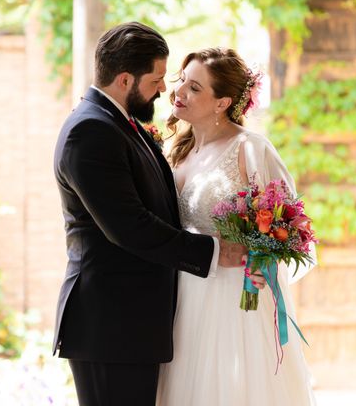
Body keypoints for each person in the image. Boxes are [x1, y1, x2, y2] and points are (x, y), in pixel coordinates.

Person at [52, 23, 258, 406]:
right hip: (110, 326)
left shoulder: (121, 125)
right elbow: (130, 228)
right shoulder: (91, 132)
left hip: (134, 325)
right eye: (158, 79)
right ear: (126, 79)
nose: (165, 89)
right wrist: (217, 252)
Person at [156, 47, 317, 405]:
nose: (179, 91)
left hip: (234, 301)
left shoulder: (250, 148)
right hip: (183, 299)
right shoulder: (178, 153)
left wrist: (265, 261)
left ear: (222, 102)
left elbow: (289, 225)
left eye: (195, 87)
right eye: (182, 80)